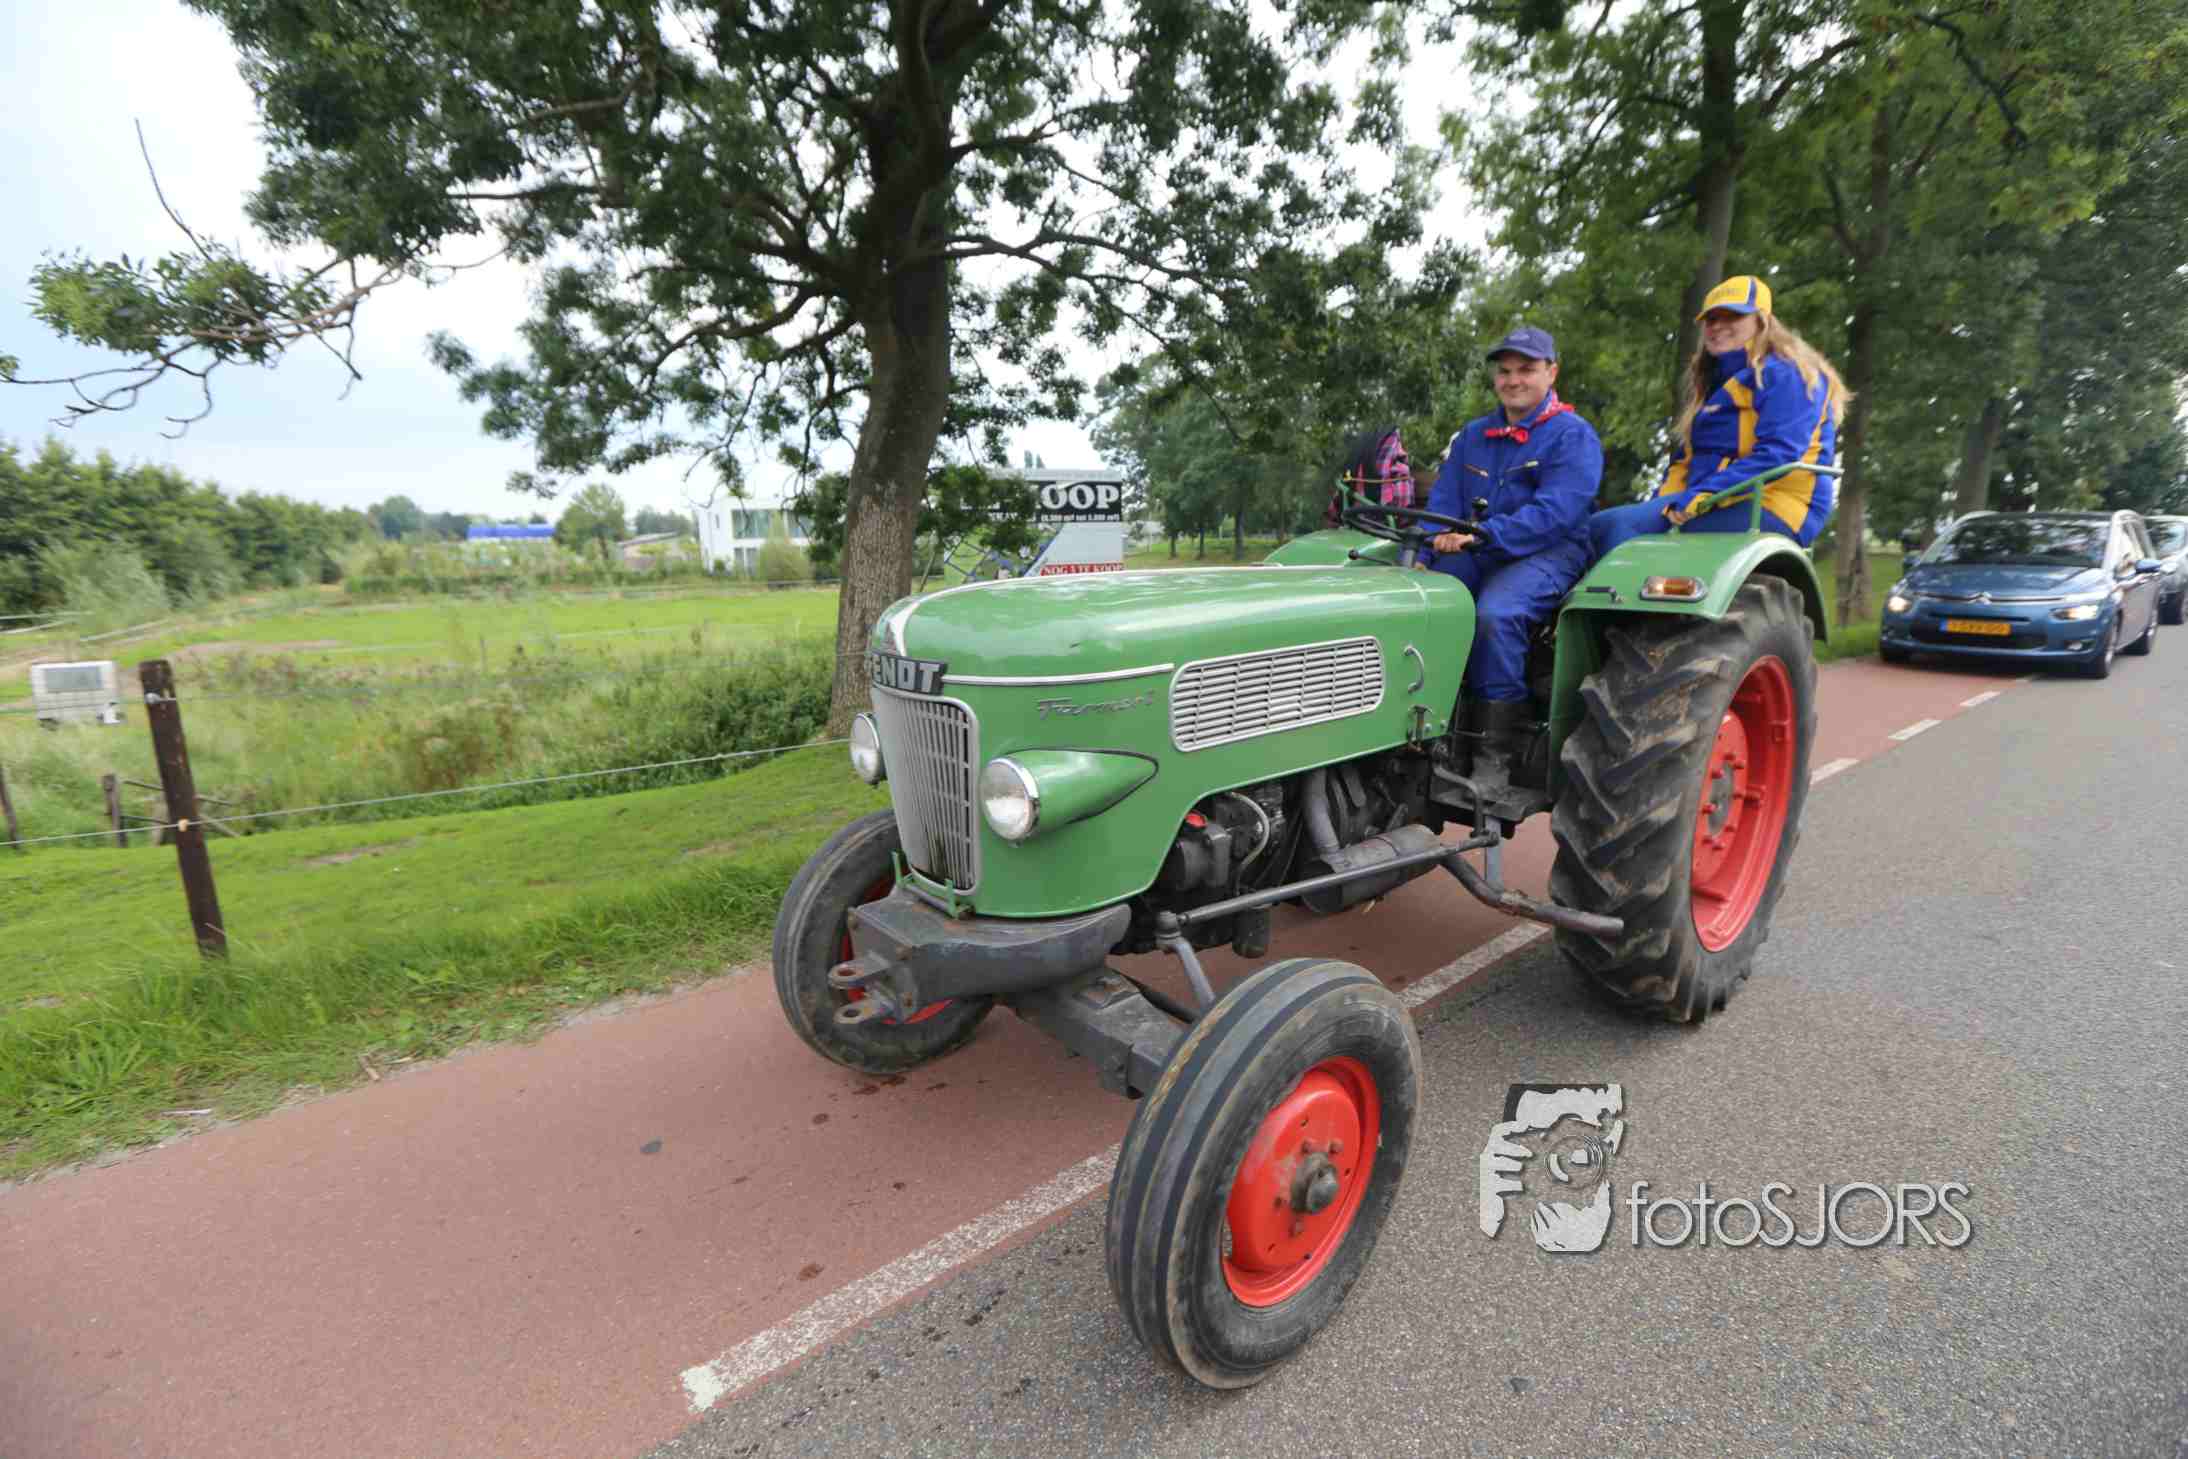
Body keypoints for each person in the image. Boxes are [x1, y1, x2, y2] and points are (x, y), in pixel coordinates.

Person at [1418, 325, 1604, 769]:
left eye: (1526, 369)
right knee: (1422, 603)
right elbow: (1443, 502)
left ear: (1551, 373)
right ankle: (1422, 730)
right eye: (1504, 371)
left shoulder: (1572, 436)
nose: (1513, 380)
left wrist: (1486, 535)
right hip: (1479, 548)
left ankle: (1493, 754)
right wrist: (1422, 557)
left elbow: (1556, 513)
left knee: (1495, 616)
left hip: (1549, 552)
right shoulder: (1473, 436)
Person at [1588, 276, 1849, 559]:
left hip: (1775, 504)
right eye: (1711, 319)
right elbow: (1686, 462)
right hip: (1716, 498)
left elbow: (1779, 454)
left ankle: (1623, 588)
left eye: (1733, 315)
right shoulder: (1715, 383)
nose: (1718, 326)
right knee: (1599, 526)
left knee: (1625, 529)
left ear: (1762, 320)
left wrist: (1702, 496)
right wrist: (1657, 507)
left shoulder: (1787, 374)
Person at [1322, 425, 1414, 530]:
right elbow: (1403, 509)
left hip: (1355, 526)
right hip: (1383, 527)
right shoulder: (1392, 453)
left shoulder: (1353, 463)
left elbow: (1333, 514)